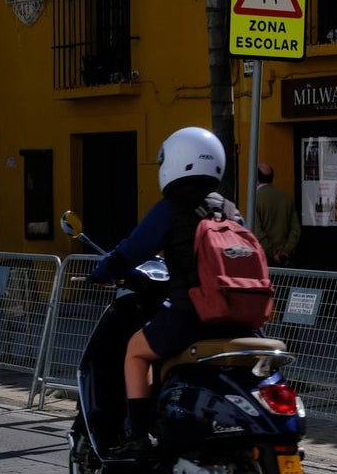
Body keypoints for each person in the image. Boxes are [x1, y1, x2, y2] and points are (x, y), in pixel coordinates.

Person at [89, 126, 243, 454]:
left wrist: (102, 271)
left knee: (135, 351)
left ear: (175, 161)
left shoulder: (172, 207)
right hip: (240, 314)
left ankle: (138, 437)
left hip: (192, 313)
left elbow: (133, 250)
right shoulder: (230, 210)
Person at [252, 162, 301, 267]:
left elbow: (257, 232)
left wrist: (273, 252)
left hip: (264, 258)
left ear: (255, 179)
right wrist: (284, 251)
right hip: (285, 259)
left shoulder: (254, 200)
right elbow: (295, 230)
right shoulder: (287, 198)